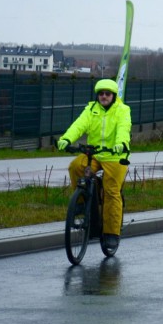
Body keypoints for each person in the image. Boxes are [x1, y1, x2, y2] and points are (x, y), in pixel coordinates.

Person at [57, 79, 131, 251]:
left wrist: (121, 143)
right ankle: (83, 203)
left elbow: (123, 128)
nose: (104, 96)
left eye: (107, 94)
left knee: (111, 191)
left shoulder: (122, 110)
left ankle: (111, 234)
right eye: (101, 93)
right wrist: (66, 139)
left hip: (115, 155)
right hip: (95, 153)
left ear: (113, 96)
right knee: (76, 166)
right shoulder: (91, 109)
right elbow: (79, 125)